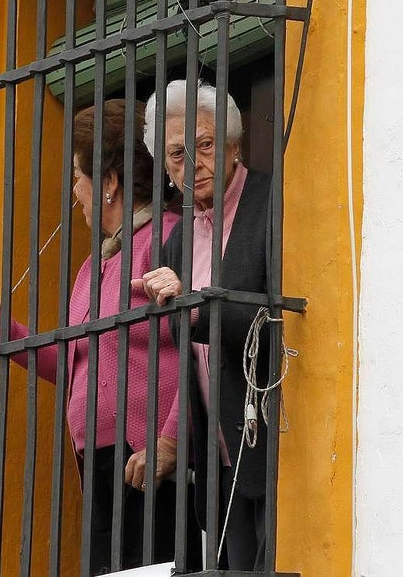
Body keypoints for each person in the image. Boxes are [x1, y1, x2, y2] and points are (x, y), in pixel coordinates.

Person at [0, 99, 199, 574]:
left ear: (108, 182)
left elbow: (203, 348)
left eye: (77, 175)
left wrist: (169, 440)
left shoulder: (171, 239)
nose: (75, 191)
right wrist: (0, 328)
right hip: (100, 464)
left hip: (153, 461)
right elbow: (75, 364)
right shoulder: (94, 266)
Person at [133, 80, 274, 570]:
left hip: (274, 439)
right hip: (218, 457)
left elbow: (275, 316)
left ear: (233, 145)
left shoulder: (270, 204)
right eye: (176, 153)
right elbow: (186, 354)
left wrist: (193, 306)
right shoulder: (178, 239)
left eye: (206, 145)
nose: (192, 162)